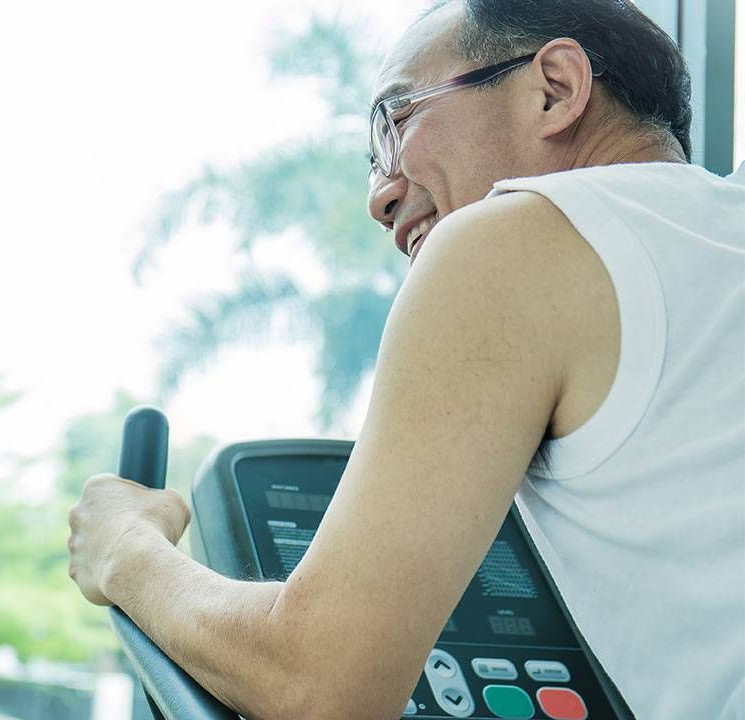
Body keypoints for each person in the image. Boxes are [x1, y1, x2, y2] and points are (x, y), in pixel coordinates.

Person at [66, 0, 745, 718]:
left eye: (395, 122)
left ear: (554, 88)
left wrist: (126, 550)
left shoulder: (515, 238)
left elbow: (319, 684)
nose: (378, 196)